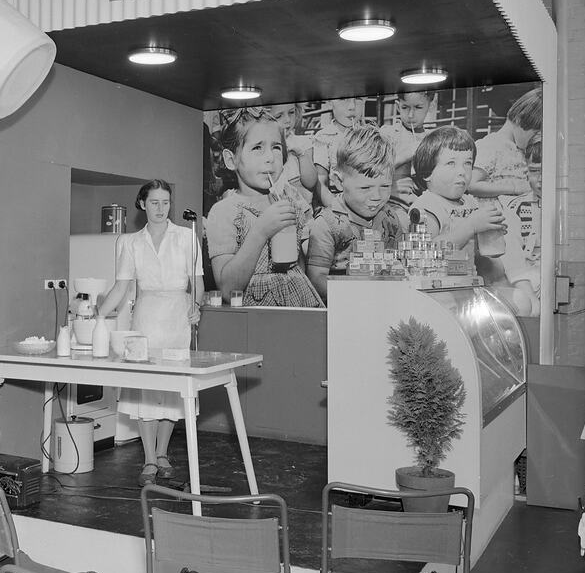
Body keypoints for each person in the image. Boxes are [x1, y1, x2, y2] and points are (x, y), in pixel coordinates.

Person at [97, 180, 203, 485]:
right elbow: (120, 287)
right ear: (143, 204)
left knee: (170, 390)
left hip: (177, 320)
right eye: (154, 202)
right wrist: (97, 314)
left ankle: (163, 453)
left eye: (166, 202)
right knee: (145, 390)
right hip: (144, 319)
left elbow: (197, 283)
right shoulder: (130, 243)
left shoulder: (186, 237)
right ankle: (147, 459)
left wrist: (197, 306)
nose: (160, 209)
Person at [204, 114, 322, 308]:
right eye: (257, 148)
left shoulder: (289, 198)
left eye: (276, 148)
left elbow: (300, 267)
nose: (270, 158)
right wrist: (261, 231)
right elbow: (227, 288)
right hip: (256, 317)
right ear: (230, 160)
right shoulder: (224, 211)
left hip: (299, 305)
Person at [304, 126, 407, 302]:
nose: (376, 197)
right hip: (343, 310)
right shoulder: (327, 224)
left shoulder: (390, 217)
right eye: (365, 188)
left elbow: (398, 265)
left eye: (385, 186)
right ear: (337, 180)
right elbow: (316, 278)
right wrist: (355, 297)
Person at [407, 125, 506, 265]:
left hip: (468, 280)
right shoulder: (425, 208)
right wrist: (471, 226)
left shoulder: (470, 202)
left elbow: (481, 255)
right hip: (437, 282)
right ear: (427, 172)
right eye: (451, 163)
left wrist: (489, 235)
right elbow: (423, 253)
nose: (462, 171)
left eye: (467, 163)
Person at [489, 132, 545, 316]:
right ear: (526, 172)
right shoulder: (516, 207)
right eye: (535, 171)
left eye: (546, 171)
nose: (541, 179)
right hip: (526, 281)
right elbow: (513, 255)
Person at [469, 86, 542, 199]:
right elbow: (472, 184)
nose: (535, 141)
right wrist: (514, 189)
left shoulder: (521, 149)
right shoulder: (490, 145)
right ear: (519, 119)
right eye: (535, 133)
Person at [378, 89, 436, 203]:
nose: (410, 115)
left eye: (418, 107)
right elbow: (373, 170)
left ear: (431, 106)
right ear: (398, 107)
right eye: (405, 107)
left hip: (423, 203)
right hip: (391, 201)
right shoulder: (388, 134)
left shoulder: (432, 139)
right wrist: (406, 155)